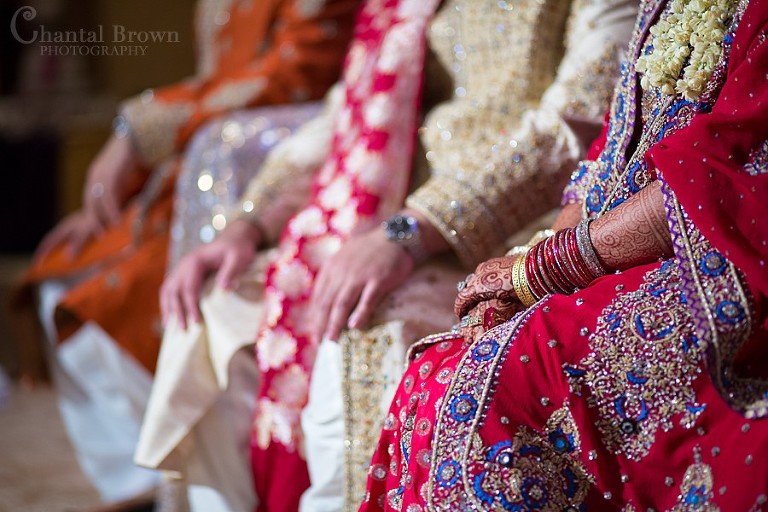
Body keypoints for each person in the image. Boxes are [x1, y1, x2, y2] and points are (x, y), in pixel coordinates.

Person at [152, 1, 639, 511]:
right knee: (213, 310)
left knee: (357, 334)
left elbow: (579, 119)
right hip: (381, 222)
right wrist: (248, 225)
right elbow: (347, 115)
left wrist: (415, 229)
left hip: (508, 234)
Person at [359, 0, 768, 509]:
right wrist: (540, 262)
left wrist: (423, 233)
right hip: (570, 230)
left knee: (483, 382)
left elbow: (578, 125)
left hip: (709, 242)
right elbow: (614, 136)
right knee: (421, 368)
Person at [14, 0, 359, 506]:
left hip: (256, 174)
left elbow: (295, 78)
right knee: (62, 283)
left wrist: (143, 128)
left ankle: (163, 479)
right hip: (212, 182)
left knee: (185, 317)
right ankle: (141, 484)